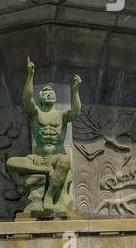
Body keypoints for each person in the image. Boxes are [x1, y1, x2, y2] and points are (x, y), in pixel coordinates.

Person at [7, 57, 81, 218]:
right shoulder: (36, 114)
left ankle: (49, 196)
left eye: (50, 93)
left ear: (54, 98)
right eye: (45, 93)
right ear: (40, 98)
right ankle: (44, 171)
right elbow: (27, 99)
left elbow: (75, 112)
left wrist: (75, 91)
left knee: (65, 161)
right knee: (11, 162)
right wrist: (30, 75)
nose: (48, 94)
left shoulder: (62, 115)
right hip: (37, 159)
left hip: (55, 157)